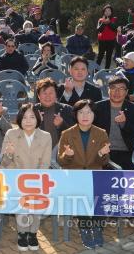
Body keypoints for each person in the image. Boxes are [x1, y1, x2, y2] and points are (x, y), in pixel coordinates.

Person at [58, 99, 111, 249]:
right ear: (76, 115)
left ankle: (97, 228)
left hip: (95, 174)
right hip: (75, 176)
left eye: (89, 112)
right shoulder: (67, 134)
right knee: (82, 197)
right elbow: (61, 162)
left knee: (100, 197)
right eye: (81, 112)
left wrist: (101, 153)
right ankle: (85, 229)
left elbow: (104, 161)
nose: (85, 115)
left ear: (94, 114)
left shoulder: (101, 133)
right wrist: (68, 155)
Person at [0, 103, 52, 251]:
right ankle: (22, 233)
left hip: (38, 178)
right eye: (24, 117)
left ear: (37, 118)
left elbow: (46, 163)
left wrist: (36, 180)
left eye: (32, 117)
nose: (28, 121)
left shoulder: (45, 136)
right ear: (19, 119)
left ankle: (33, 233)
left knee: (36, 198)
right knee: (21, 198)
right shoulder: (11, 133)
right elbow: (4, 163)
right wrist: (9, 153)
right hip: (16, 179)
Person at [93, 76, 134, 170]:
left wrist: (124, 123)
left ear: (126, 92)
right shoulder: (97, 107)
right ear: (108, 90)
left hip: (126, 152)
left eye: (121, 89)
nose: (117, 92)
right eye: (113, 88)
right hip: (102, 151)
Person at [33, 78, 75, 146]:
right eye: (44, 93)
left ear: (56, 94)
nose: (48, 96)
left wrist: (62, 124)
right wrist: (36, 123)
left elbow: (75, 134)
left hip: (61, 151)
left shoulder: (67, 109)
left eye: (51, 93)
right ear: (38, 96)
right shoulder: (32, 111)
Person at [96, 5, 118, 69]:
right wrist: (103, 23)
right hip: (102, 41)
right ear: (103, 12)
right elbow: (99, 30)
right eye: (106, 11)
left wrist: (109, 23)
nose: (107, 12)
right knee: (100, 56)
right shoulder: (100, 20)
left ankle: (106, 71)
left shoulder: (115, 19)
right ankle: (95, 71)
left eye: (109, 10)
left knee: (108, 56)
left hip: (111, 41)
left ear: (111, 12)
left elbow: (115, 29)